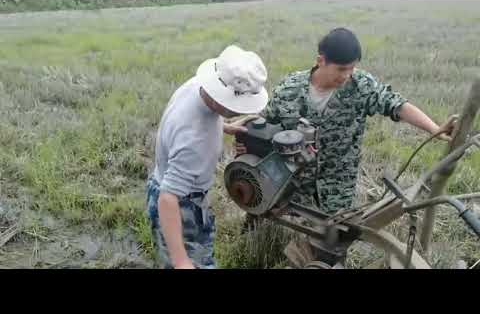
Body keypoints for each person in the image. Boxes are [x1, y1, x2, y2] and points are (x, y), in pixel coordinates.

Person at [236, 28, 456, 216]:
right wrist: (246, 143)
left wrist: (434, 129)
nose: (347, 75)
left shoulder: (361, 86)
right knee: (287, 228)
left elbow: (397, 105)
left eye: (352, 68)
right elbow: (265, 128)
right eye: (341, 69)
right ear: (321, 61)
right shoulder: (289, 89)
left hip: (337, 187)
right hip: (293, 184)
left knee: (334, 243)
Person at [147, 45, 269, 269]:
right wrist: (181, 260)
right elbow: (168, 199)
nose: (239, 111)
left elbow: (200, 118)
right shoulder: (194, 140)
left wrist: (226, 126)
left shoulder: (196, 86)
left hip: (165, 182)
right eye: (236, 107)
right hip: (181, 207)